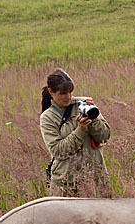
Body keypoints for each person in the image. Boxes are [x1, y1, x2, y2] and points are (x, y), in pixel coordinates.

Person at [40, 68, 111, 197]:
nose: (68, 97)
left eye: (70, 92)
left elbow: (104, 136)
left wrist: (93, 120)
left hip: (95, 179)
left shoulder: (84, 106)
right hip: (67, 184)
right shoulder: (48, 117)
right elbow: (57, 151)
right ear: (51, 92)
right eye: (63, 93)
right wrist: (80, 130)